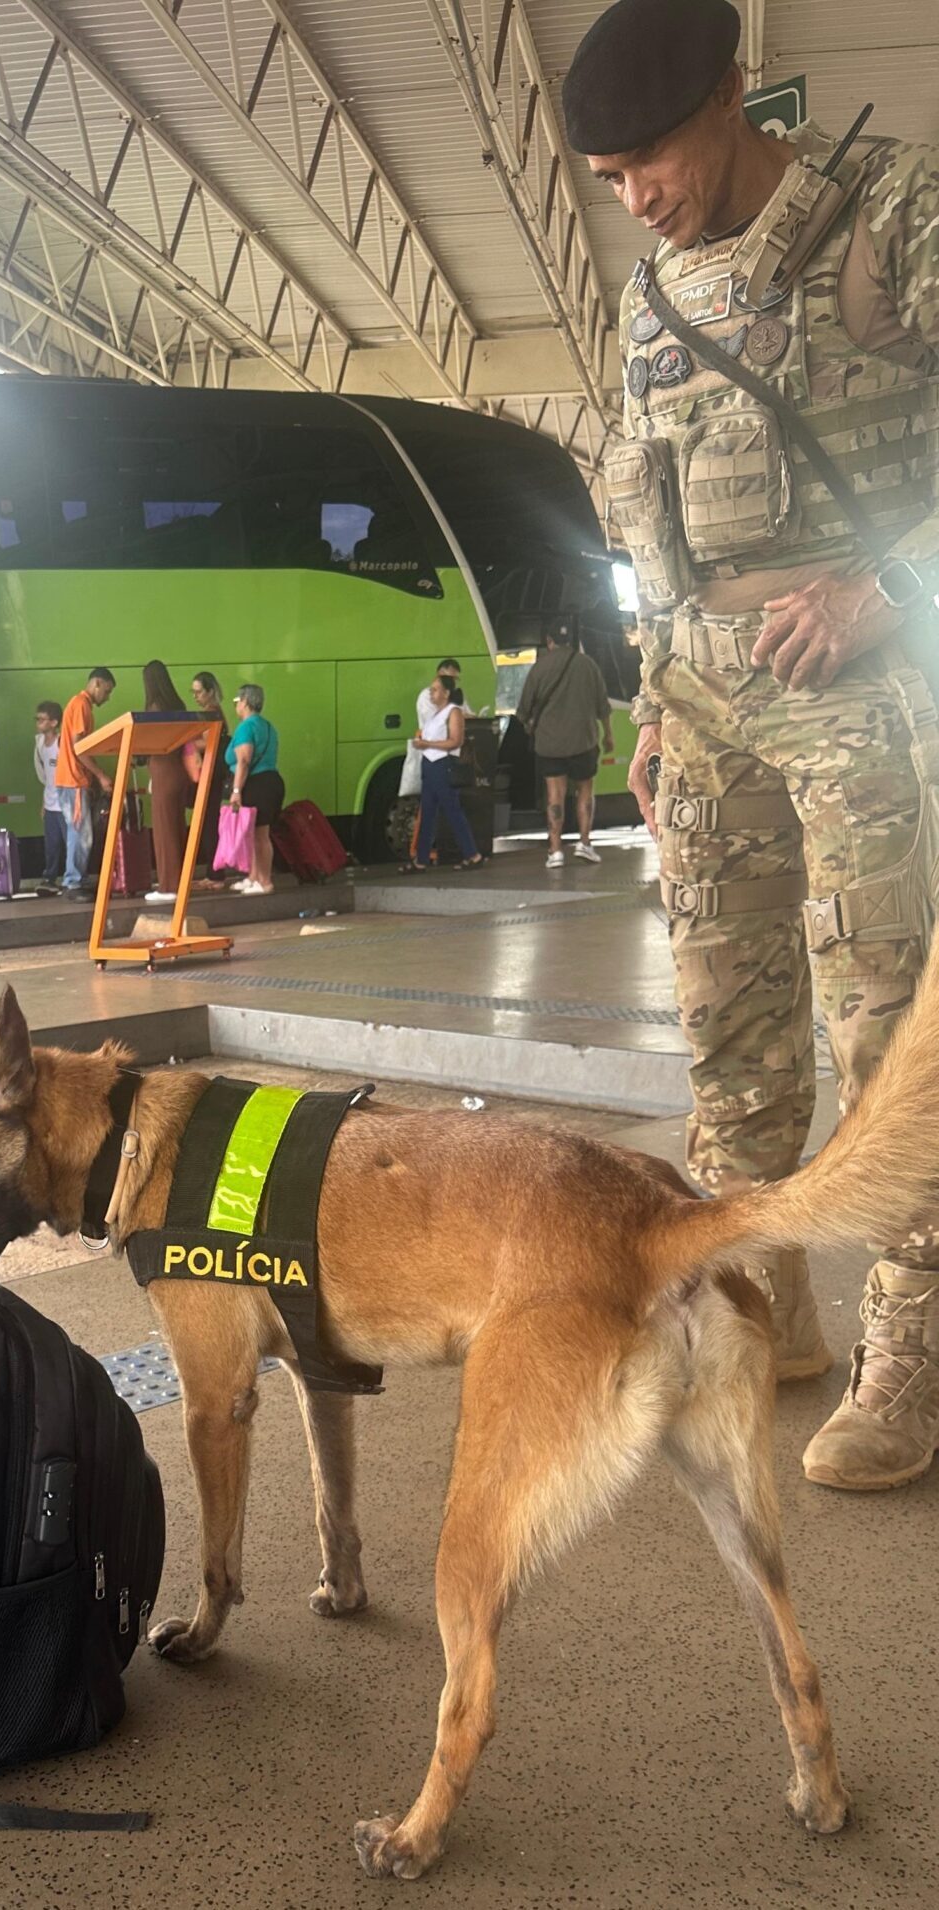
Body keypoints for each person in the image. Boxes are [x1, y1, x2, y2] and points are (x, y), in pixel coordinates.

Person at [565, 0, 939, 1488]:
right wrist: (656, 701)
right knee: (730, 1032)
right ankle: (756, 1307)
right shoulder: (651, 291)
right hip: (708, 689)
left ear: (733, 95)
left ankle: (905, 1343)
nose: (639, 194)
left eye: (650, 155)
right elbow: (648, 526)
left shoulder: (891, 207)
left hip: (857, 675)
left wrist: (884, 585)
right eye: (612, 179)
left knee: (883, 1028)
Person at [514, 621, 613, 868]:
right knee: (585, 791)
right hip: (584, 740)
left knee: (554, 795)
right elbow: (603, 706)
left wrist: (530, 725)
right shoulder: (588, 664)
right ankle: (585, 843)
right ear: (569, 642)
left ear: (549, 642)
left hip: (549, 744)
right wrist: (608, 735)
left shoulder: (540, 667)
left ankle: (555, 851)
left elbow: (523, 709)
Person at [400, 676, 484, 873]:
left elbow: (455, 741)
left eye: (436, 690)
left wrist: (428, 744)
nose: (432, 693)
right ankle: (421, 859)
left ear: (446, 693)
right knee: (427, 813)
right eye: (431, 689)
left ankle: (473, 854)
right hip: (429, 766)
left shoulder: (453, 712)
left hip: (443, 765)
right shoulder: (435, 715)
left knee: (452, 811)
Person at [53, 668, 115, 897]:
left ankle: (76, 878)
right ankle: (73, 882)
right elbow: (79, 748)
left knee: (78, 831)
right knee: (81, 833)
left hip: (72, 778)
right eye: (106, 691)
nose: (107, 698)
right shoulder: (81, 705)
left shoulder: (79, 705)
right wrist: (100, 775)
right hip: (73, 780)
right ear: (96, 683)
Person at [137, 660, 190, 904]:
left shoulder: (154, 707)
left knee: (163, 830)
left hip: (162, 770)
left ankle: (169, 886)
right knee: (177, 827)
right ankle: (180, 880)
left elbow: (148, 742)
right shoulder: (178, 704)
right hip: (179, 770)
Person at [227, 684, 284, 896]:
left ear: (244, 702)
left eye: (236, 701)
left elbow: (243, 760)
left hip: (256, 784)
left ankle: (265, 881)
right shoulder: (268, 726)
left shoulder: (245, 727)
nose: (236, 706)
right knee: (254, 833)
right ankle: (253, 877)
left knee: (260, 835)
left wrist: (236, 790)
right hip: (271, 781)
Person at [188, 671, 230, 881]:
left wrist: (186, 743)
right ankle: (214, 873)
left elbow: (208, 743)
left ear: (210, 692)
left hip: (211, 776)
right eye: (193, 692)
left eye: (199, 692)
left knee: (209, 824)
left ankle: (214, 874)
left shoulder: (211, 713)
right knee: (210, 823)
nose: (195, 696)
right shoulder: (217, 712)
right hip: (217, 774)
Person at [32, 700, 64, 895]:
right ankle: (49, 878)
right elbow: (45, 776)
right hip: (51, 802)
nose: (38, 723)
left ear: (53, 722)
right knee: (51, 844)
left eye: (42, 719)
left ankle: (74, 879)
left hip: (66, 802)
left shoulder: (62, 742)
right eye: (37, 719)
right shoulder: (40, 744)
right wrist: (44, 802)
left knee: (71, 843)